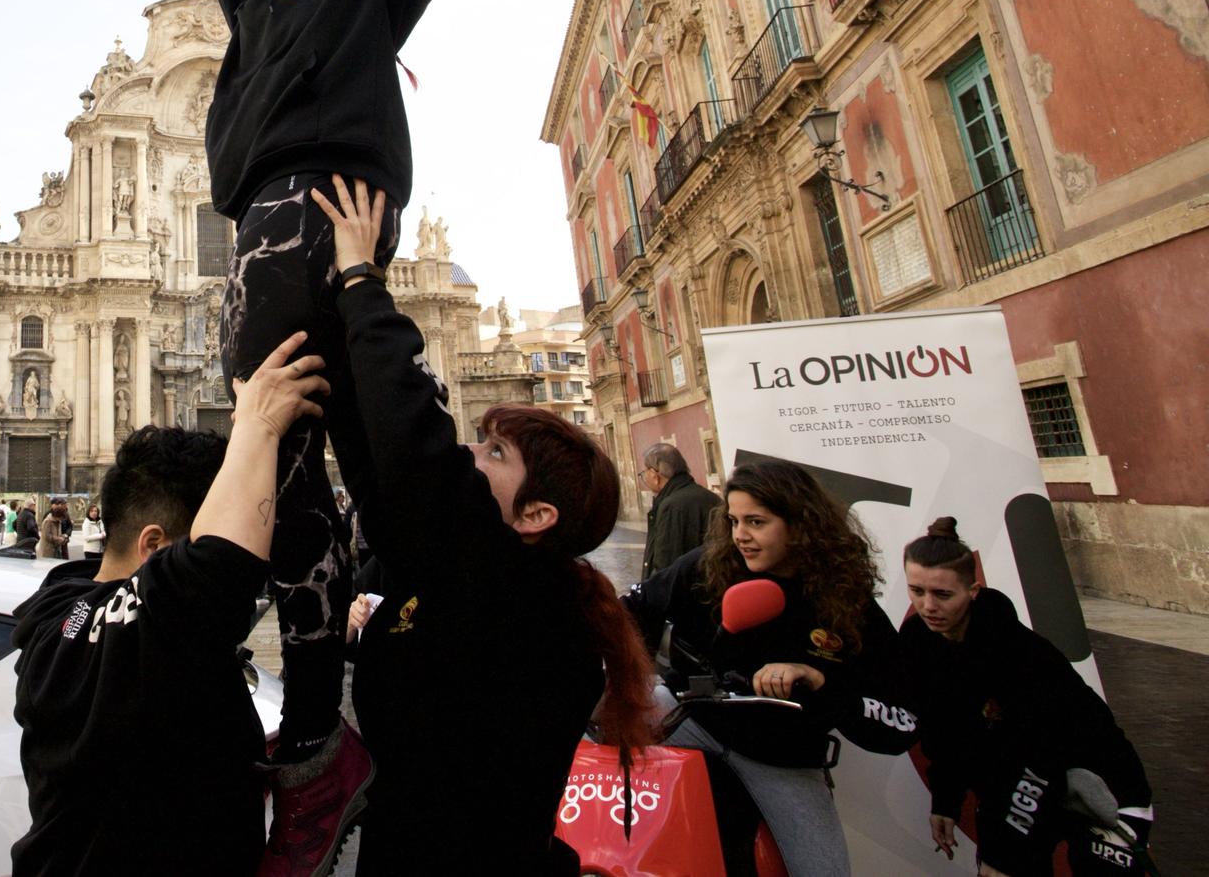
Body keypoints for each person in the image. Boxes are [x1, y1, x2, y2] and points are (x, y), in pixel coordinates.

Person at [186, 0, 481, 866]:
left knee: (319, 448)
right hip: (260, 235)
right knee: (302, 466)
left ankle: (338, 720)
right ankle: (325, 724)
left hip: (328, 216)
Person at [312, 178, 655, 873]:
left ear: (536, 515)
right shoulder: (457, 571)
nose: (468, 448)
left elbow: (414, 453)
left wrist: (361, 282)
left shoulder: (529, 607)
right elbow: (384, 473)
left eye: (495, 450)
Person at [11, 330, 327, 875]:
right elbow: (217, 572)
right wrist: (260, 427)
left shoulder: (56, 604)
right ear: (154, 546)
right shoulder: (149, 627)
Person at [626, 457, 919, 876]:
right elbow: (627, 613)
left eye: (756, 523)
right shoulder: (707, 567)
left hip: (781, 758)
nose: (740, 536)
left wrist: (820, 682)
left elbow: (902, 721)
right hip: (691, 718)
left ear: (800, 526)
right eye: (733, 521)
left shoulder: (847, 604)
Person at [896, 518, 1153, 876]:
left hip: (1092, 778)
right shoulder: (916, 643)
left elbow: (1041, 748)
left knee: (1002, 864)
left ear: (973, 590)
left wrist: (1003, 847)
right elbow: (943, 731)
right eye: (916, 591)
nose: (927, 606)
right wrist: (946, 801)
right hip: (1014, 776)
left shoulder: (1016, 650)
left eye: (942, 594)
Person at [641, 441, 722, 578]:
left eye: (644, 472)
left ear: (655, 475)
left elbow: (665, 564)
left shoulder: (671, 506)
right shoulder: (710, 497)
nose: (643, 477)